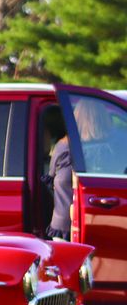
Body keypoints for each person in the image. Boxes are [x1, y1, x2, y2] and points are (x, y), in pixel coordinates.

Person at [47, 97, 122, 240]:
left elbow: (50, 180)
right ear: (103, 119)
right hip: (102, 222)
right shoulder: (115, 148)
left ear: (76, 118)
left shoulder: (63, 147)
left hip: (63, 225)